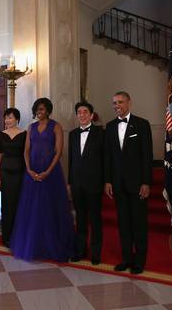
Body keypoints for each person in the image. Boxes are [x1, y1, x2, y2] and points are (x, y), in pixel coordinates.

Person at [10, 97, 74, 262]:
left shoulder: (56, 126)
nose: (40, 112)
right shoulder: (31, 128)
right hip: (32, 173)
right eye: (37, 110)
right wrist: (29, 169)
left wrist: (48, 171)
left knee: (50, 209)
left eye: (43, 109)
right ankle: (35, 245)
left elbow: (58, 152)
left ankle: (51, 246)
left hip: (51, 174)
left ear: (48, 110)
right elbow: (26, 151)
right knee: (33, 211)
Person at [104, 91, 153, 274]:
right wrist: (108, 181)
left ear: (129, 103)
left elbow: (147, 156)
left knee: (139, 223)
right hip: (117, 184)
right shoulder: (109, 127)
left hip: (137, 183)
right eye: (114, 103)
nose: (117, 105)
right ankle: (126, 259)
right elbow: (107, 157)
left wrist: (146, 182)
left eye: (121, 102)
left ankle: (139, 261)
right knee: (123, 223)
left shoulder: (142, 124)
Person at [68, 101, 104, 265]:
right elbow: (71, 161)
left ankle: (96, 253)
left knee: (95, 219)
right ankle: (80, 250)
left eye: (85, 112)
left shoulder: (100, 133)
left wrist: (105, 181)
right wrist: (70, 182)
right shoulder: (73, 134)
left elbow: (105, 160)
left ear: (91, 115)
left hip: (94, 183)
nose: (81, 115)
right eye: (79, 112)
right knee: (80, 219)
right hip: (77, 184)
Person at [0, 108, 26, 247]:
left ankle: (19, 235)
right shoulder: (1, 135)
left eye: (10, 118)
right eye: (6, 118)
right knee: (7, 204)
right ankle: (6, 236)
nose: (7, 120)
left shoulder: (25, 134)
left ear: (17, 119)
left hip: (20, 171)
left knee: (19, 203)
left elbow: (27, 154)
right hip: (5, 172)